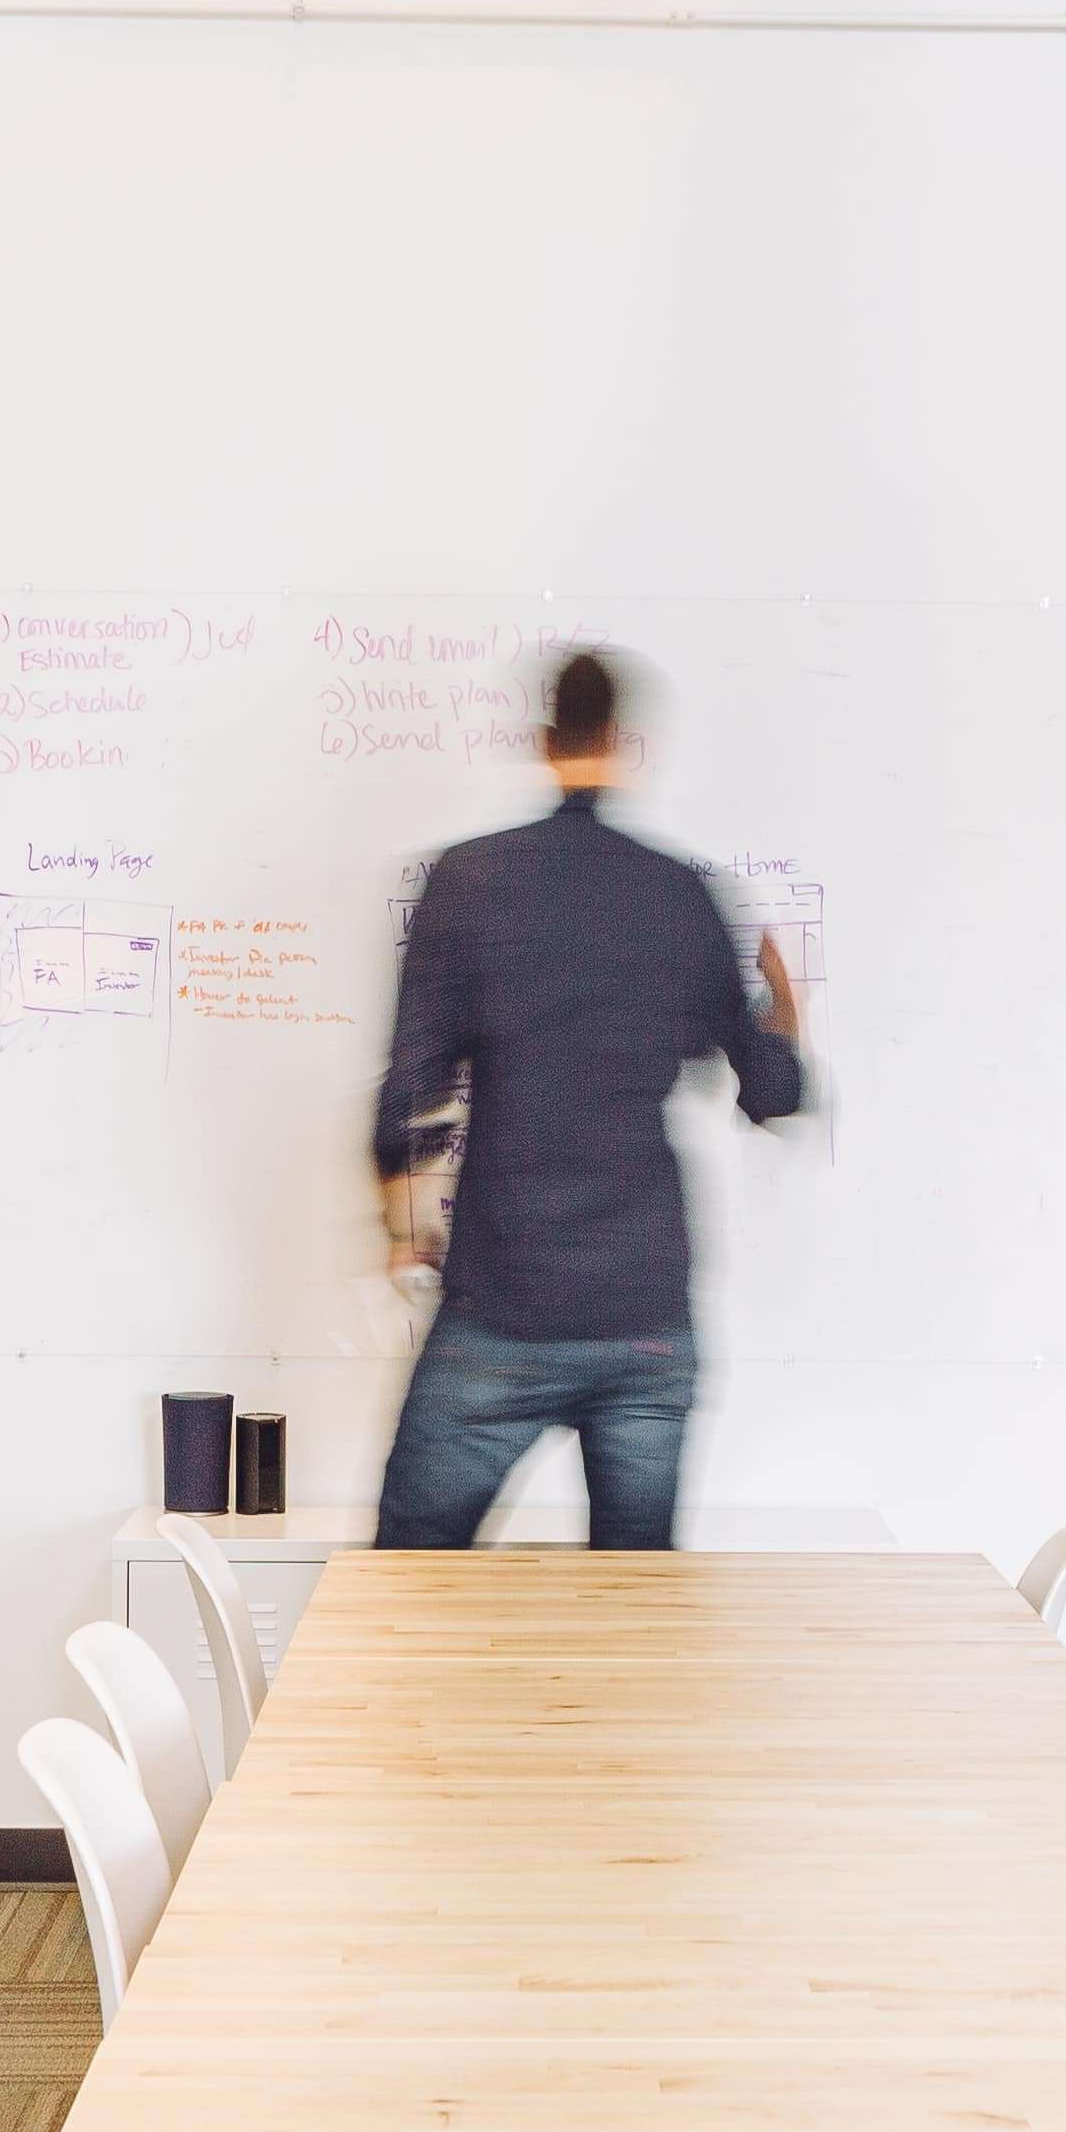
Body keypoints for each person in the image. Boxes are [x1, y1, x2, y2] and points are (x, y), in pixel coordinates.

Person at [367, 647, 809, 1548]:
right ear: (622, 744)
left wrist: (403, 1233)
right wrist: (784, 1013)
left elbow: (403, 1103)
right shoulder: (683, 895)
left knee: (403, 1577)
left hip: (503, 1297)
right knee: (633, 1603)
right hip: (644, 1309)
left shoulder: (470, 881)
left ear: (542, 742)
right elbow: (771, 1092)